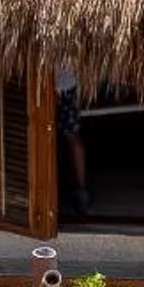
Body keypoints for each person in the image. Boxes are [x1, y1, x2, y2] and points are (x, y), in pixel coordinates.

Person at [55, 66, 91, 217]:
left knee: (72, 138)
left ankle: (80, 190)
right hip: (66, 88)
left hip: (63, 90)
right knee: (72, 137)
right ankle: (80, 189)